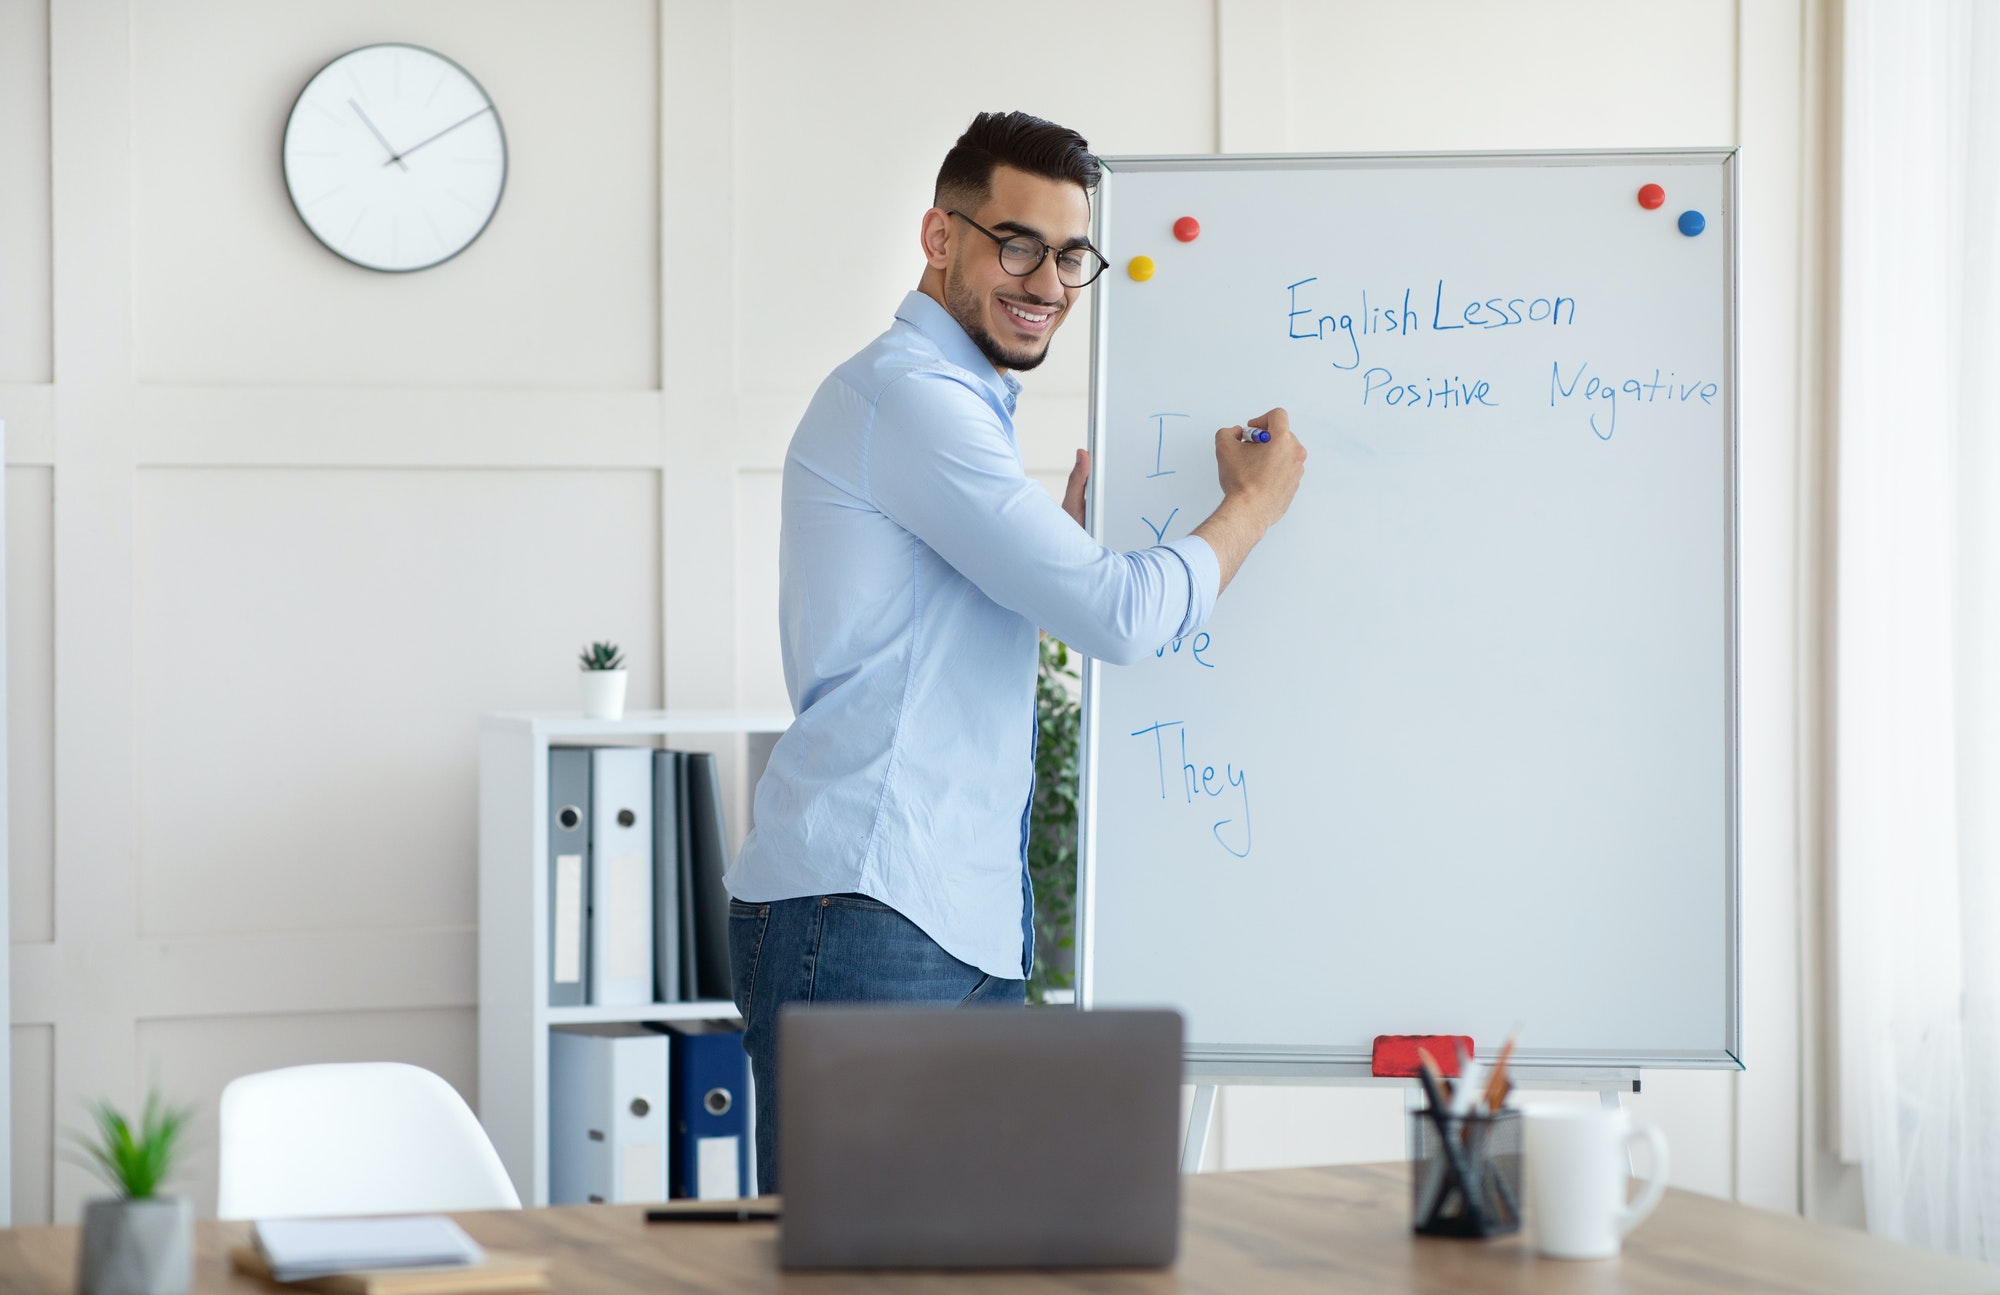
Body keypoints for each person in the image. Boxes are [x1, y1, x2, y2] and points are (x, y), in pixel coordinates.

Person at [722, 110, 1306, 1189]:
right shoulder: (913, 395)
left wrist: (1057, 558)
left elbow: (924, 641)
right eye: (1015, 241)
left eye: (1070, 253)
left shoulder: (957, 405)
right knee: (860, 1271)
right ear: (939, 237)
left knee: (960, 1258)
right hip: (870, 903)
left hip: (950, 911)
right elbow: (1120, 618)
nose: (1045, 279)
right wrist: (1251, 510)